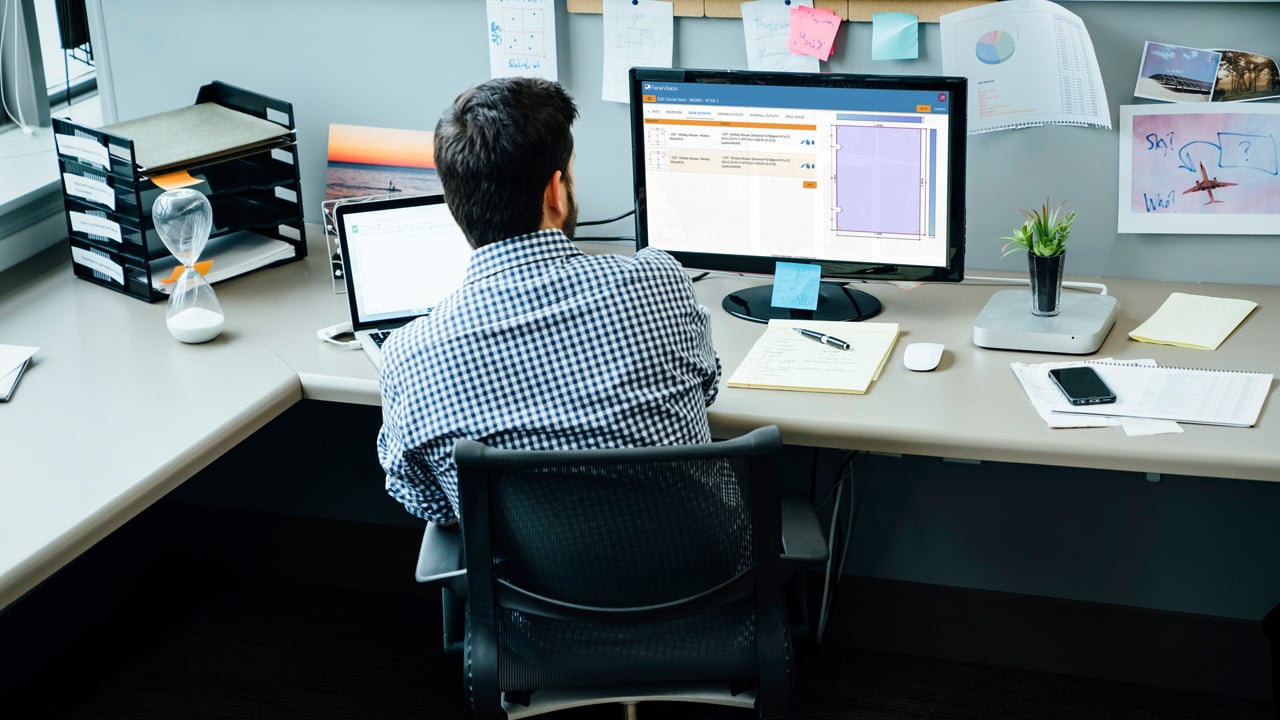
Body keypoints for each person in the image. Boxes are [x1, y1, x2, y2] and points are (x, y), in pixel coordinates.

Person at [377, 77, 721, 524]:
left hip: (521, 591)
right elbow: (705, 387)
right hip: (695, 576)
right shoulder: (659, 282)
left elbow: (430, 502)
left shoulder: (407, 356)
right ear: (555, 193)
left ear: (453, 202)